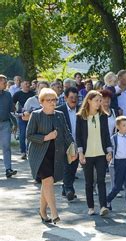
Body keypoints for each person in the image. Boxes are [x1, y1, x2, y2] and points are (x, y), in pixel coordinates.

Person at [27, 88, 76, 224]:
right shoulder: (36, 115)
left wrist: (73, 148)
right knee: (48, 181)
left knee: (47, 183)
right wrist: (46, 137)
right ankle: (54, 213)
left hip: (55, 154)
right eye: (48, 100)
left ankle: (42, 211)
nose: (52, 103)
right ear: (41, 102)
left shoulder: (59, 115)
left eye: (54, 100)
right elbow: (29, 135)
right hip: (39, 155)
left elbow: (67, 134)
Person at [76, 90, 113, 216]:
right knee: (89, 182)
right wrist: (80, 153)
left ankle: (103, 206)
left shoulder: (103, 116)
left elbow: (106, 134)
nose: (99, 103)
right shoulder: (80, 117)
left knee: (101, 180)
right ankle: (91, 207)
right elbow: (79, 137)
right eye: (96, 100)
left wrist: (109, 151)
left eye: (100, 101)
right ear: (89, 101)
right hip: (87, 154)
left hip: (101, 153)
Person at [106, 116, 126, 215]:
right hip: (118, 164)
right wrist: (109, 155)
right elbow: (110, 150)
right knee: (117, 187)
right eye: (124, 125)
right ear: (118, 127)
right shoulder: (114, 138)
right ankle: (107, 200)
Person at [57, 87, 80, 201]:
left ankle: (64, 188)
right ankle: (69, 189)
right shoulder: (59, 110)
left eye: (76, 98)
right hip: (65, 144)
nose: (74, 100)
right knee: (67, 166)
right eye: (71, 98)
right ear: (65, 98)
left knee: (73, 168)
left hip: (78, 143)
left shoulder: (81, 110)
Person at [12, 79, 35, 159]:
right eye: (26, 83)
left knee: (30, 134)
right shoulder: (17, 94)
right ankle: (23, 151)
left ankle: (29, 150)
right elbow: (12, 104)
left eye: (28, 83)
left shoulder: (32, 94)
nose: (27, 85)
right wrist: (16, 112)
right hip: (22, 117)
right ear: (21, 85)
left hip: (32, 117)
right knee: (22, 134)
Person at [0, 74, 17, 178]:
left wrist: (15, 123)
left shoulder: (8, 95)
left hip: (5, 123)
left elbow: (12, 110)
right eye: (4, 82)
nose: (6, 84)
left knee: (6, 147)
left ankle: (8, 169)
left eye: (6, 82)